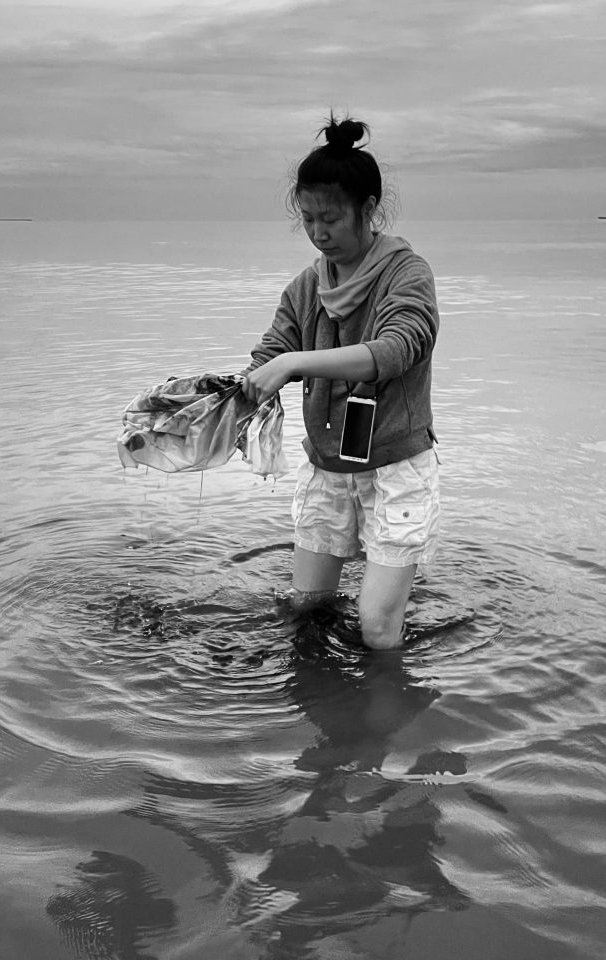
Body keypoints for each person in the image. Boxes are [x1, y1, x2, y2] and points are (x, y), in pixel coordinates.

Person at [241, 114, 441, 651]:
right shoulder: (307, 287)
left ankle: (388, 720)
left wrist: (295, 365)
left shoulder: (407, 275)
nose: (318, 232)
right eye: (307, 219)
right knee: (307, 612)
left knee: (375, 628)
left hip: (395, 470)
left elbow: (395, 351)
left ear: (368, 209)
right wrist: (209, 403)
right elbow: (269, 354)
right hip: (331, 469)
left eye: (329, 218)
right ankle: (331, 718)